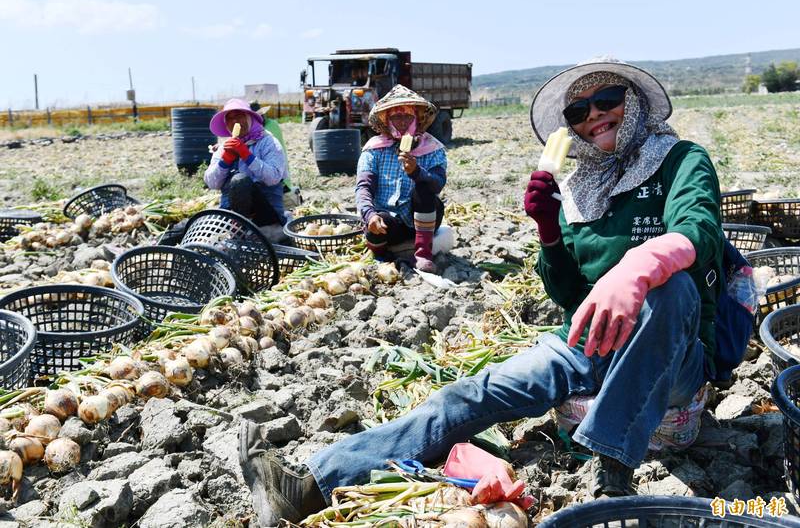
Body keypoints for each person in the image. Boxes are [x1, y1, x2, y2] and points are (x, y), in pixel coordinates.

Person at [238, 57, 724, 524]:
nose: (594, 115)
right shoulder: (581, 188)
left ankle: (611, 466)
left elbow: (699, 230)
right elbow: (573, 297)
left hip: (673, 351)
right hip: (592, 341)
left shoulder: (679, 160)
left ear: (634, 101)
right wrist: (550, 232)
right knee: (468, 395)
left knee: (671, 287)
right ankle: (308, 486)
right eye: (579, 111)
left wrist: (637, 267)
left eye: (607, 98)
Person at [354, 85, 447, 273]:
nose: (402, 122)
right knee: (377, 224)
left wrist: (416, 172)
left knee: (423, 188)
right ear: (387, 120)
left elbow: (438, 183)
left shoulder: (432, 148)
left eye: (407, 116)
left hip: (422, 219)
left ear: (417, 118)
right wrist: (369, 215)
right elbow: (364, 187)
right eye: (396, 117)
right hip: (389, 222)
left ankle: (423, 254)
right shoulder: (373, 150)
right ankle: (380, 255)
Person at [204, 98, 289, 228]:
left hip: (266, 215)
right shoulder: (224, 148)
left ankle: (240, 228)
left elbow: (273, 178)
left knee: (240, 181)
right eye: (230, 119)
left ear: (249, 118)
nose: (234, 121)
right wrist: (224, 161)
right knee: (189, 225)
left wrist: (247, 156)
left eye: (239, 116)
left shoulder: (268, 142)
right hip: (230, 214)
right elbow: (212, 183)